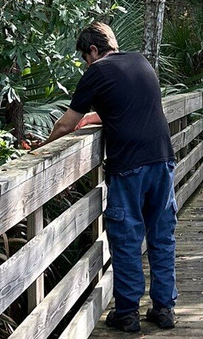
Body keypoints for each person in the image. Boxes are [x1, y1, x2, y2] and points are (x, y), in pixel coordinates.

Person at [39, 22, 178, 332]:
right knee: (161, 235)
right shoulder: (140, 61)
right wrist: (91, 117)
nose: (85, 65)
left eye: (84, 58)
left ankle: (127, 312)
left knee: (127, 237)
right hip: (163, 159)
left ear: (92, 51)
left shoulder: (97, 71)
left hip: (129, 164)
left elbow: (64, 125)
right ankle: (164, 308)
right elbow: (123, 107)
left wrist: (41, 148)